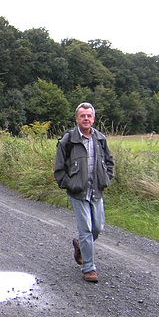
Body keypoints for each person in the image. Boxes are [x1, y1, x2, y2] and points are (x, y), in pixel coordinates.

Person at [54, 102, 115, 283]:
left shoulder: (101, 139)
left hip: (96, 190)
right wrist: (69, 184)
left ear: (93, 118)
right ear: (77, 119)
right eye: (82, 116)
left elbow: (109, 163)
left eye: (89, 116)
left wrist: (106, 179)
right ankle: (89, 268)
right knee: (86, 229)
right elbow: (59, 169)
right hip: (77, 192)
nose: (86, 118)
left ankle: (80, 244)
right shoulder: (68, 140)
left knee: (97, 228)